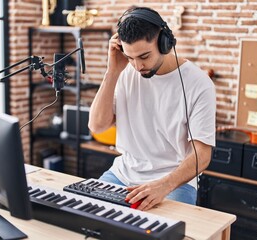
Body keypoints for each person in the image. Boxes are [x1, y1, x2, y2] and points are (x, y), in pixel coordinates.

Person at [88, 6, 216, 211]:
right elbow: (97, 125)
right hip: (123, 174)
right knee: (88, 215)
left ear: (165, 42)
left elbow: (202, 155)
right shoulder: (125, 71)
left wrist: (163, 185)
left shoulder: (199, 84)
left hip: (173, 182)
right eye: (130, 57)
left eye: (144, 56)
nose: (138, 66)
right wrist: (112, 71)